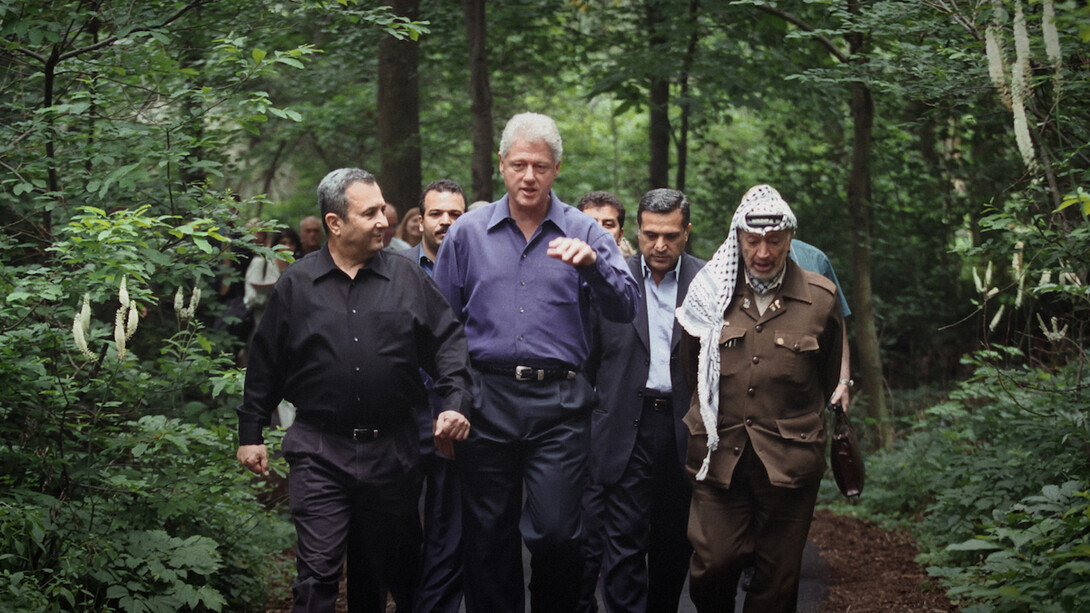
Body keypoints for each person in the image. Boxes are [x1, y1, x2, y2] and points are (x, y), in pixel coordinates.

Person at [236, 168, 472, 613]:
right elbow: (265, 362)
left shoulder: (407, 278)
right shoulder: (297, 285)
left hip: (394, 450)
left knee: (391, 567)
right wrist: (251, 432)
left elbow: (448, 344)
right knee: (319, 571)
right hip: (320, 449)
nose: (384, 219)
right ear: (335, 223)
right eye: (370, 213)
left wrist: (455, 402)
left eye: (383, 209)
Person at [433, 112, 639, 613]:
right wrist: (447, 400)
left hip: (560, 405)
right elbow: (440, 325)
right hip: (486, 401)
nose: (529, 176)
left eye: (541, 166)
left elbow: (626, 306)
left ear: (557, 169)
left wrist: (594, 267)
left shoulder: (585, 230)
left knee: (556, 534)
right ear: (501, 164)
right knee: (488, 538)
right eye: (519, 164)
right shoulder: (468, 235)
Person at [677, 184, 843, 612]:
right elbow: (689, 367)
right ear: (738, 239)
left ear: (790, 239)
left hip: (788, 462)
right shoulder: (711, 293)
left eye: (773, 240)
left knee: (776, 582)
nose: (763, 251)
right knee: (714, 564)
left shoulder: (820, 299)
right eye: (753, 240)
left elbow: (825, 379)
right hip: (719, 458)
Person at [583, 188, 705, 613]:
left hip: (681, 428)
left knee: (672, 548)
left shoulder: (706, 282)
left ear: (686, 233)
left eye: (671, 235)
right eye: (650, 234)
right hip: (622, 427)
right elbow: (588, 356)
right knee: (623, 548)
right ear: (637, 230)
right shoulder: (611, 276)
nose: (659, 245)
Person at [394, 179, 468, 613]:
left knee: (448, 527)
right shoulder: (395, 267)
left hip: (454, 411)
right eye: (437, 214)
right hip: (401, 414)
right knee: (400, 524)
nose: (445, 222)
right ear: (419, 220)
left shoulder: (478, 266)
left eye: (455, 214)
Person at [577, 191, 635, 257]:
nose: (599, 230)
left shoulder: (628, 266)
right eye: (591, 224)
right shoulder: (564, 265)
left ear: (620, 236)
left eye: (608, 225)